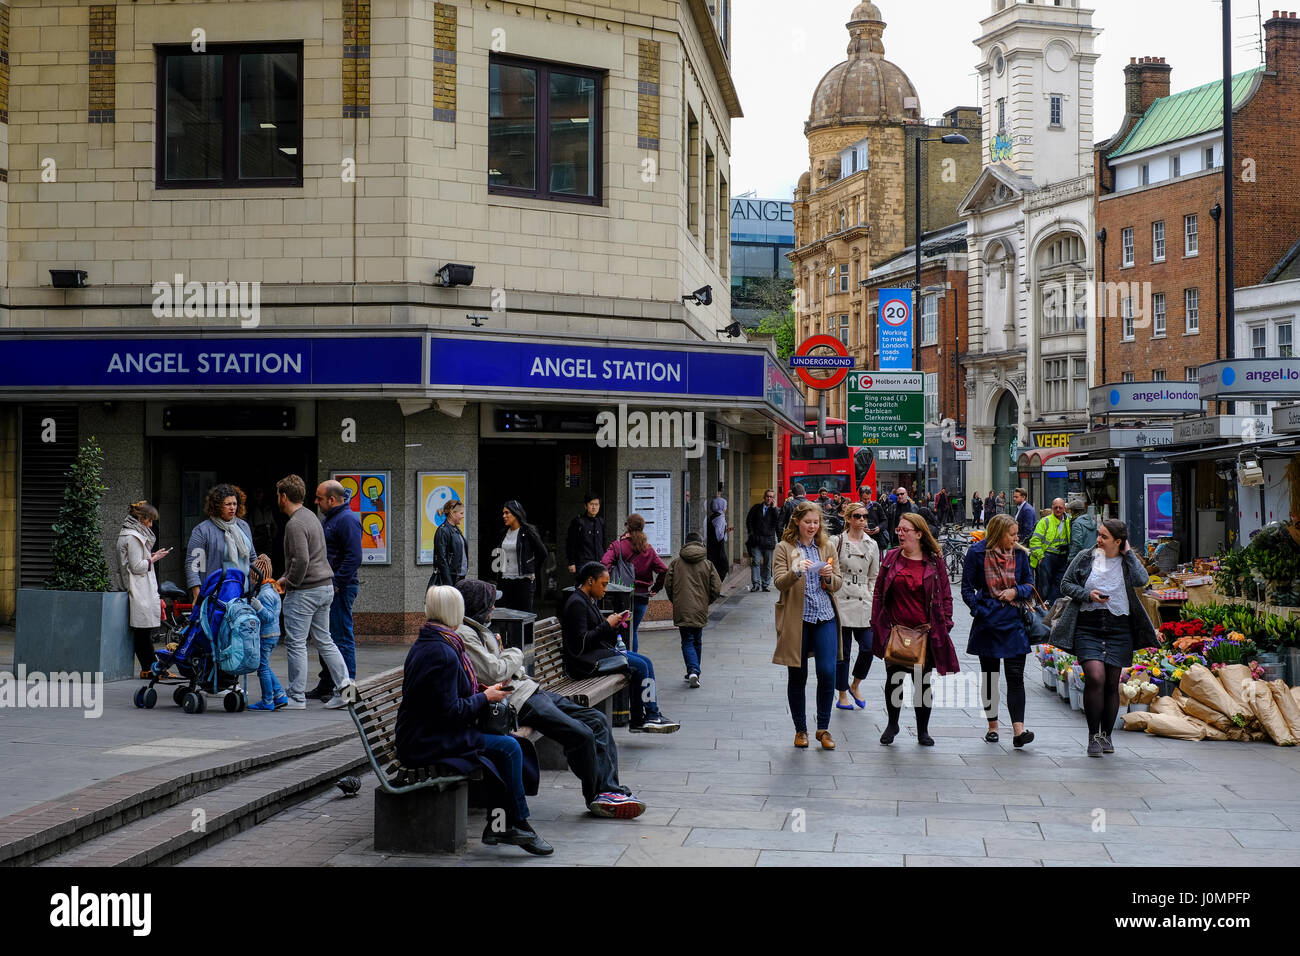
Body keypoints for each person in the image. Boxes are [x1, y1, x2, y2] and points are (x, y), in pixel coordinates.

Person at [453, 578, 646, 819]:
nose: (493, 607)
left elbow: (502, 667)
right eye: (490, 603)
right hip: (519, 700)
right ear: (478, 605)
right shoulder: (465, 634)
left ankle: (610, 790)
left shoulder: (479, 628)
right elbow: (495, 671)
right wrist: (514, 653)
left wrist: (506, 658)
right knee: (581, 734)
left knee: (596, 720)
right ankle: (599, 794)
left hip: (530, 689)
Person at [394, 585, 552, 855]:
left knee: (508, 745)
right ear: (454, 611)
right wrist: (486, 697)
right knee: (510, 748)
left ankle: (505, 825)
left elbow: (447, 701)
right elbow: (450, 711)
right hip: (426, 741)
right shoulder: (441, 652)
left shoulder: (435, 641)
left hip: (428, 732)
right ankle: (515, 822)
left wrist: (484, 692)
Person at [1053, 518, 1159, 757]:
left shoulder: (1127, 562)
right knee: (1095, 676)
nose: (1098, 540)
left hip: (1119, 627)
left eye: (1104, 536)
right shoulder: (1085, 557)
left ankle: (1106, 736)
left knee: (1112, 683)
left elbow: (1143, 580)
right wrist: (1087, 595)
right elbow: (1066, 584)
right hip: (1088, 625)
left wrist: (1129, 553)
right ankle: (1092, 737)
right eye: (1099, 535)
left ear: (1119, 541)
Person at [870, 512, 958, 747]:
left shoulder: (934, 560)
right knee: (894, 679)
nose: (900, 534)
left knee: (923, 682)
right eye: (898, 529)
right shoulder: (890, 558)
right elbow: (879, 593)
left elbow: (946, 595)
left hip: (925, 632)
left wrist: (945, 623)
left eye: (905, 530)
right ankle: (893, 724)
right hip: (896, 631)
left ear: (919, 534)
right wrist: (878, 625)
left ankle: (922, 731)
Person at [562, 563, 680, 733]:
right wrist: (606, 625)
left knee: (645, 661)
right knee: (639, 666)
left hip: (596, 653)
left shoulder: (588, 600)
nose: (605, 589)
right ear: (590, 581)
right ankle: (646, 717)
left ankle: (648, 716)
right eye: (603, 584)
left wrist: (613, 624)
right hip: (585, 662)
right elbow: (580, 643)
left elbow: (597, 634)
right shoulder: (577, 603)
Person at [275, 474, 354, 710]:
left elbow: (301, 560)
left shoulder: (295, 523)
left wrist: (288, 582)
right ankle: (346, 690)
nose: (277, 499)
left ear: (284, 496)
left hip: (305, 591)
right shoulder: (311, 516)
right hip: (325, 587)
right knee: (325, 641)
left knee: (296, 643)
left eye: (278, 495)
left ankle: (296, 696)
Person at [773, 500, 844, 750]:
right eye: (807, 522)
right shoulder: (784, 548)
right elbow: (779, 582)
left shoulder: (828, 546)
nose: (812, 526)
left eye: (816, 522)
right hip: (797, 619)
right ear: (797, 522)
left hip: (824, 616)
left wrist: (829, 577)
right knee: (798, 674)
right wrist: (796, 571)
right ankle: (800, 729)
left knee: (827, 671)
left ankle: (823, 729)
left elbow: (838, 581)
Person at [961, 514, 1035, 748]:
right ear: (997, 533)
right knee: (990, 677)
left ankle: (1018, 730)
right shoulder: (977, 553)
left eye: (1016, 534)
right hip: (988, 621)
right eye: (1011, 534)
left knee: (1015, 677)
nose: (1016, 538)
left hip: (1014, 620)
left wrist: (1016, 592)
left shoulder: (1021, 554)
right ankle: (993, 726)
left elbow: (1030, 585)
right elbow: (966, 587)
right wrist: (978, 610)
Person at [308, 480, 362, 702]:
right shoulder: (331, 519)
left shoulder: (347, 520)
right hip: (331, 586)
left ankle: (348, 690)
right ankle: (328, 683)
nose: (316, 502)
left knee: (341, 637)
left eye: (319, 498)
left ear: (331, 499)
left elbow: (354, 557)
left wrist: (336, 583)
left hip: (340, 588)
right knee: (326, 637)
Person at [832, 501, 880, 711]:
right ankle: (842, 694)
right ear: (849, 518)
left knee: (869, 647)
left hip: (863, 601)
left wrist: (870, 595)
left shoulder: (872, 544)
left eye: (865, 516)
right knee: (843, 653)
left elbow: (874, 575)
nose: (862, 520)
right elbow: (830, 569)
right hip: (842, 598)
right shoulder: (837, 541)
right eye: (858, 516)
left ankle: (856, 684)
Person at [116, 501, 172, 679]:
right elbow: (137, 566)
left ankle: (150, 667)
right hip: (139, 589)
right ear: (141, 519)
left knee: (143, 631)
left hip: (138, 587)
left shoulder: (129, 534)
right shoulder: (133, 537)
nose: (151, 525)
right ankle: (149, 668)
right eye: (149, 521)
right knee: (143, 632)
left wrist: (153, 556)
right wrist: (155, 559)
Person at [601, 514, 667, 652]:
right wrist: (656, 588)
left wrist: (608, 581)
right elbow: (663, 569)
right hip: (642, 596)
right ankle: (633, 659)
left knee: (619, 629)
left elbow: (604, 564)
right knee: (633, 631)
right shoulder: (648, 549)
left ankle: (621, 659)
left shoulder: (618, 546)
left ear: (627, 527)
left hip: (621, 595)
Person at [664, 531, 722, 687]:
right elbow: (716, 588)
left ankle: (693, 670)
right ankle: (694, 671)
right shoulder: (708, 564)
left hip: (682, 607)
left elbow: (668, 585)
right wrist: (706, 601)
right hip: (700, 607)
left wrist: (676, 600)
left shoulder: (676, 563)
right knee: (697, 640)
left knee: (687, 640)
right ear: (700, 544)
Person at [185, 483, 254, 603]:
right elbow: (193, 565)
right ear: (217, 506)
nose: (232, 508)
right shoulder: (202, 530)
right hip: (216, 596)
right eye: (227, 504)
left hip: (245, 593)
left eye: (234, 504)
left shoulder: (243, 526)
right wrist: (197, 595)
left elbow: (253, 558)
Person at [247, 554, 288, 711]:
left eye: (252, 577)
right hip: (273, 635)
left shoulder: (265, 594)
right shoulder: (272, 589)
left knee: (262, 668)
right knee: (264, 665)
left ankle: (268, 700)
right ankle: (279, 694)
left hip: (266, 635)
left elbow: (269, 617)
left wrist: (258, 607)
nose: (250, 580)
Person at [497, 500, 548, 613]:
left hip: (524, 580)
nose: (504, 516)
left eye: (507, 513)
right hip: (506, 579)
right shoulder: (504, 533)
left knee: (524, 614)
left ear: (516, 513)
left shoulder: (528, 531)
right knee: (509, 614)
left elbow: (543, 553)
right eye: (503, 513)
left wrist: (531, 566)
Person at [1029, 498, 1072, 603]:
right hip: (1047, 557)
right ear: (1052, 508)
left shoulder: (1068, 521)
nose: (1058, 509)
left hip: (1062, 557)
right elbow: (1034, 541)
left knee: (1059, 584)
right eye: (1055, 507)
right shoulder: (1045, 521)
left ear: (1064, 508)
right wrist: (1040, 556)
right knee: (1044, 585)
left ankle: (1052, 606)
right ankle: (1042, 608)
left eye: (1060, 507)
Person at [744, 489, 782, 592]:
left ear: (773, 499)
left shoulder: (776, 510)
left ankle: (765, 584)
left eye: (771, 497)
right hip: (756, 540)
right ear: (764, 497)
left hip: (769, 541)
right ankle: (756, 584)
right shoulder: (756, 508)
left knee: (767, 564)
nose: (769, 498)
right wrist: (751, 533)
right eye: (767, 496)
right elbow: (749, 520)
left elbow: (779, 523)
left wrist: (774, 509)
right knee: (756, 562)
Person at [428, 499, 468, 589]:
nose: (463, 516)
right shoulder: (443, 530)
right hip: (450, 578)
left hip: (458, 577)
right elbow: (441, 559)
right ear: (452, 513)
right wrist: (448, 582)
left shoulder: (456, 530)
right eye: (461, 513)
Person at [565, 493, 607, 578]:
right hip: (583, 563)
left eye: (596, 504)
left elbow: (603, 542)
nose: (594, 507)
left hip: (599, 562)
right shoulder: (578, 522)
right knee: (584, 588)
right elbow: (571, 543)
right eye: (591, 504)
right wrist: (571, 562)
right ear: (585, 506)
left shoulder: (601, 521)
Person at [707, 487, 731, 580]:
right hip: (718, 547)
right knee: (723, 567)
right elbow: (719, 535)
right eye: (725, 506)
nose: (725, 508)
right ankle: (715, 588)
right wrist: (724, 533)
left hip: (711, 546)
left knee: (715, 567)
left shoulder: (712, 516)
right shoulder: (720, 518)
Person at [249, 487, 279, 559]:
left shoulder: (268, 508)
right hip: (256, 540)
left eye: (260, 492)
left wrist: (271, 537)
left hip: (267, 540)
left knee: (268, 560)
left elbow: (274, 525)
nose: (258, 494)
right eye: (256, 492)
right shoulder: (250, 509)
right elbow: (248, 525)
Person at [1067, 499, 1098, 563]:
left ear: (1074, 511)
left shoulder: (1077, 524)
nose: (1070, 513)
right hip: (1092, 556)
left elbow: (1077, 544)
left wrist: (1071, 559)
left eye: (1070, 511)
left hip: (1081, 558)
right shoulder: (1092, 521)